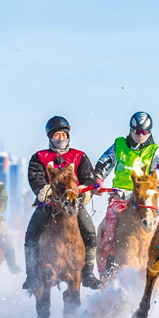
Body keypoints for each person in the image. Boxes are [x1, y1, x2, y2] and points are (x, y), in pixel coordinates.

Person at [23, 116, 102, 290]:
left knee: (89, 229)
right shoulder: (39, 157)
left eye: (63, 135)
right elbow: (35, 177)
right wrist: (43, 189)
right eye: (57, 135)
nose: (61, 138)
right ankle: (31, 275)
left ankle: (88, 273)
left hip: (73, 202)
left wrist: (85, 190)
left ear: (68, 136)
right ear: (50, 137)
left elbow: (88, 177)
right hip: (49, 204)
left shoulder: (79, 156)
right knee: (31, 234)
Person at [94, 111, 159, 275]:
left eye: (144, 132)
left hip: (145, 200)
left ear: (150, 132)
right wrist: (98, 179)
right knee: (108, 228)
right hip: (120, 198)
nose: (140, 135)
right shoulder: (119, 146)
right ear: (131, 130)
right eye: (136, 131)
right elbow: (103, 163)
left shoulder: (154, 150)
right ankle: (106, 268)